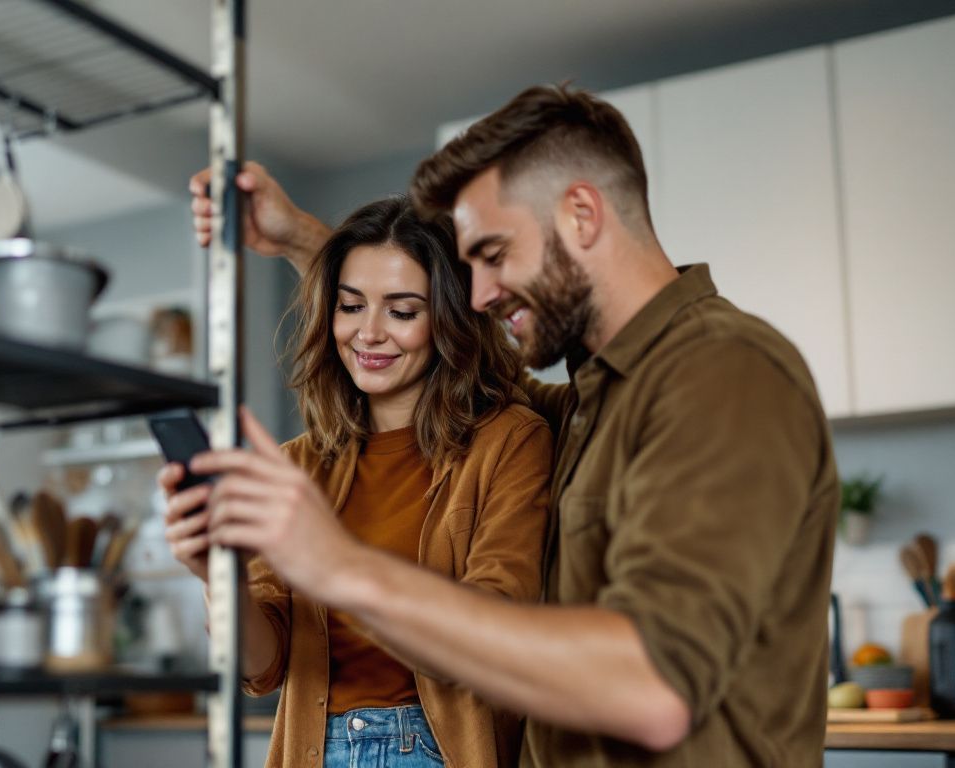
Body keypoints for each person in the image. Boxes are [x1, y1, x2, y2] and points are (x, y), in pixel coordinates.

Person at [182, 83, 839, 767]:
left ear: (581, 215)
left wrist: (339, 565)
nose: (480, 293)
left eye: (493, 255)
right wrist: (305, 242)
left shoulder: (719, 371)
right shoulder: (597, 397)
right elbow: (444, 350)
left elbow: (653, 685)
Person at [161, 196, 553, 768]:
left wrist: (341, 566)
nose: (368, 334)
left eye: (401, 311)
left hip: (436, 750)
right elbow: (263, 668)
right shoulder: (301, 465)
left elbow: (493, 632)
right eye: (350, 306)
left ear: (448, 319)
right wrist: (218, 574)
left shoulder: (509, 442)